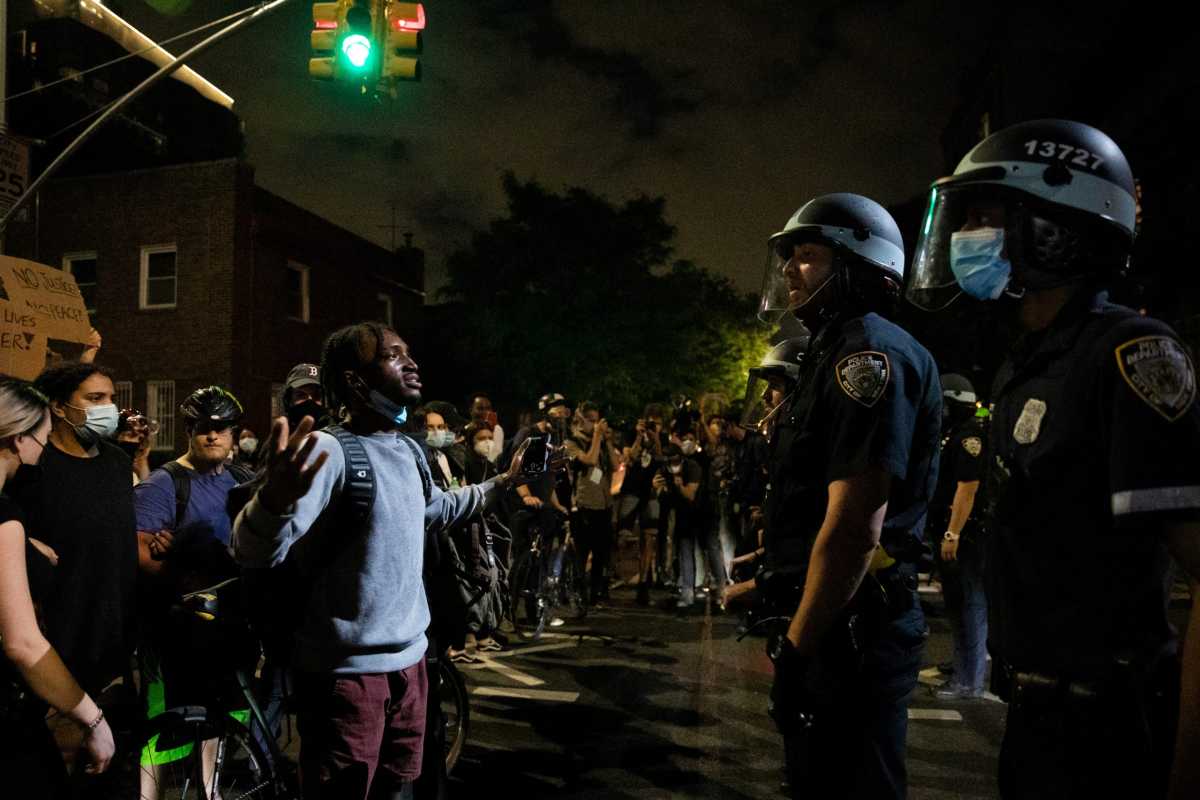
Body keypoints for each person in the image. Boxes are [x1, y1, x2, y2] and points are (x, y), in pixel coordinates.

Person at [907, 118, 1200, 800]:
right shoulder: (1027, 364)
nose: (965, 237)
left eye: (985, 216)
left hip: (1110, 728)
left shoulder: (1130, 355)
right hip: (1037, 718)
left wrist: (1188, 774)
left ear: (1058, 225)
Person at [232, 321, 530, 800]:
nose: (410, 363)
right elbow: (254, 550)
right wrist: (271, 505)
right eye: (393, 356)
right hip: (346, 682)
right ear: (355, 380)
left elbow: (434, 509)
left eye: (409, 353)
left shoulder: (408, 448)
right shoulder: (329, 450)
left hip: (411, 668)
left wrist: (502, 484)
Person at [758, 193, 941, 799]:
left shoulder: (869, 354)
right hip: (837, 618)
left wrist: (797, 649)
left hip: (855, 626)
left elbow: (856, 527)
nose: (790, 269)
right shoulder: (830, 351)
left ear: (860, 267)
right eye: (787, 257)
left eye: (807, 255)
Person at [0, 379, 115, 797]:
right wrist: (93, 718)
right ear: (18, 438)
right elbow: (24, 643)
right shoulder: (4, 518)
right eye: (43, 436)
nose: (47, 446)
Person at [13, 363, 139, 737]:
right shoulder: (33, 466)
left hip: (115, 641)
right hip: (56, 642)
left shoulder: (117, 461)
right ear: (58, 406)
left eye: (112, 399)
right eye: (95, 398)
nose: (109, 408)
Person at [927, 374, 992, 700]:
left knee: (969, 605)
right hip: (956, 534)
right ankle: (963, 665)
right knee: (957, 604)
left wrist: (953, 533)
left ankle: (970, 681)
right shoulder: (955, 435)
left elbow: (968, 488)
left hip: (967, 537)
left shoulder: (970, 438)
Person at [564, 402, 621, 607]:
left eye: (597, 421)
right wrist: (597, 436)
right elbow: (588, 460)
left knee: (601, 553)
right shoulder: (571, 443)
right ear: (580, 420)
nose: (595, 425)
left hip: (604, 505)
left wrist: (607, 440)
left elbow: (615, 466)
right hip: (583, 505)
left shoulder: (601, 441)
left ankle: (596, 594)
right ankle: (578, 594)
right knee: (582, 552)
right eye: (592, 420)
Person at [468, 392, 504, 463]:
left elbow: (496, 459)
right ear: (471, 410)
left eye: (488, 408)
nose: (485, 412)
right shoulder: (463, 432)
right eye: (480, 408)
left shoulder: (496, 433)